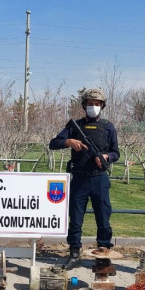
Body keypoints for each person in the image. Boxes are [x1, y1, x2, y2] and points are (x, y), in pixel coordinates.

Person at [49, 88, 119, 269]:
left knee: (103, 218)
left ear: (102, 106)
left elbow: (115, 152)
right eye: (90, 104)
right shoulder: (74, 125)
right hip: (79, 179)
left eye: (97, 104)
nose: (93, 107)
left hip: (99, 179)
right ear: (84, 105)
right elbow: (53, 143)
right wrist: (68, 142)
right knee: (76, 218)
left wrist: (106, 157)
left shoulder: (108, 126)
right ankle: (74, 253)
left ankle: (103, 255)